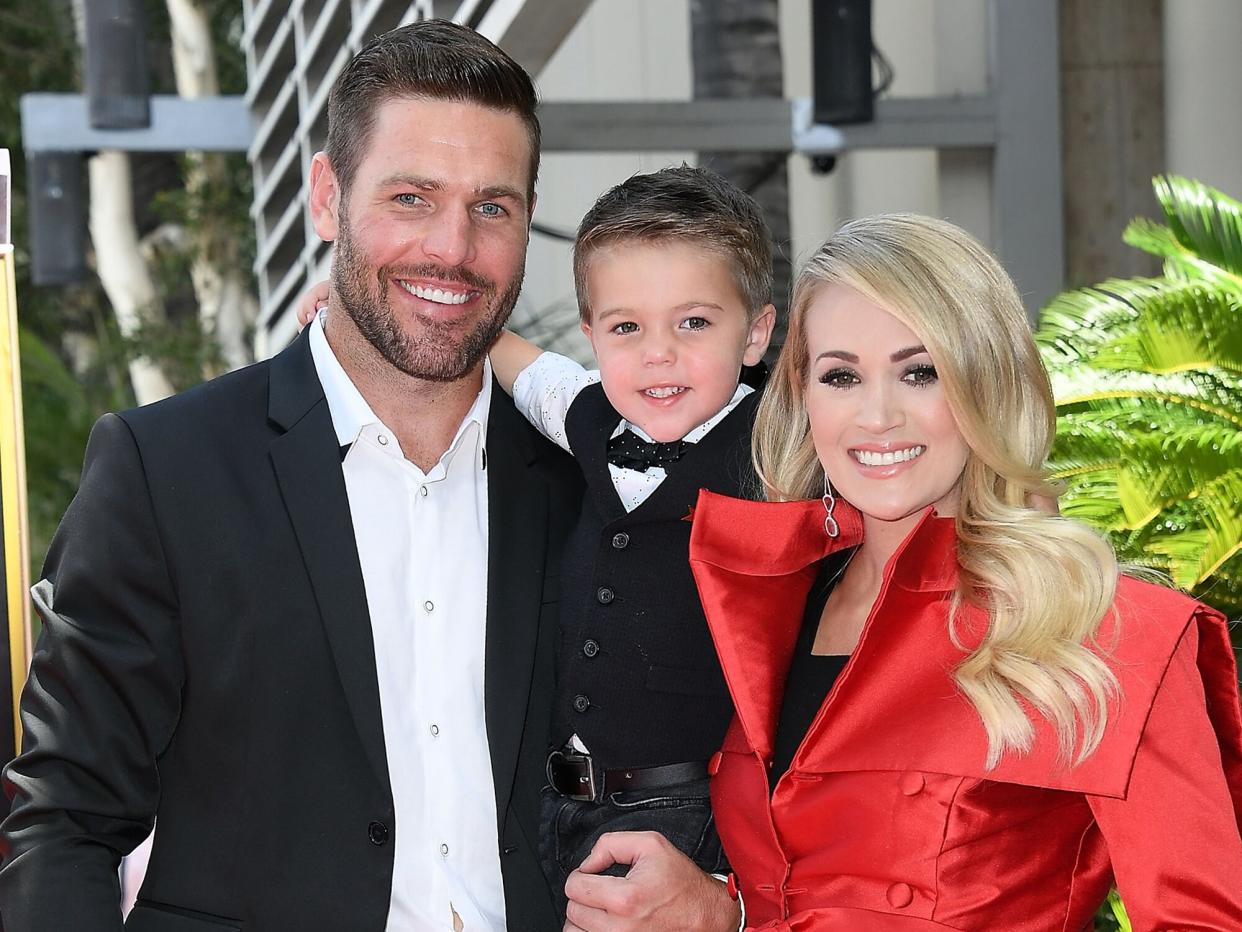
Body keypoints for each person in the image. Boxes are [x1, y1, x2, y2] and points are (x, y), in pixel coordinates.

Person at [0, 20, 582, 931]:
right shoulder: (166, 472)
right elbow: (67, 820)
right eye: (412, 197)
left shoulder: (580, 482)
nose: (454, 249)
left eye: (493, 207)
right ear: (325, 195)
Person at [673, 213, 1242, 930]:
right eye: (841, 375)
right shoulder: (757, 608)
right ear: (803, 396)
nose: (877, 416)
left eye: (920, 372)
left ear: (986, 384)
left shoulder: (1113, 634)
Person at [297, 165, 776, 927]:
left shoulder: (779, 452)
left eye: (693, 324)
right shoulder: (594, 420)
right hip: (553, 808)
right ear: (593, 336)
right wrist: (362, 308)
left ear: (755, 331)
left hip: (688, 817)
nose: (657, 354)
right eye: (626, 327)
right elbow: (526, 370)